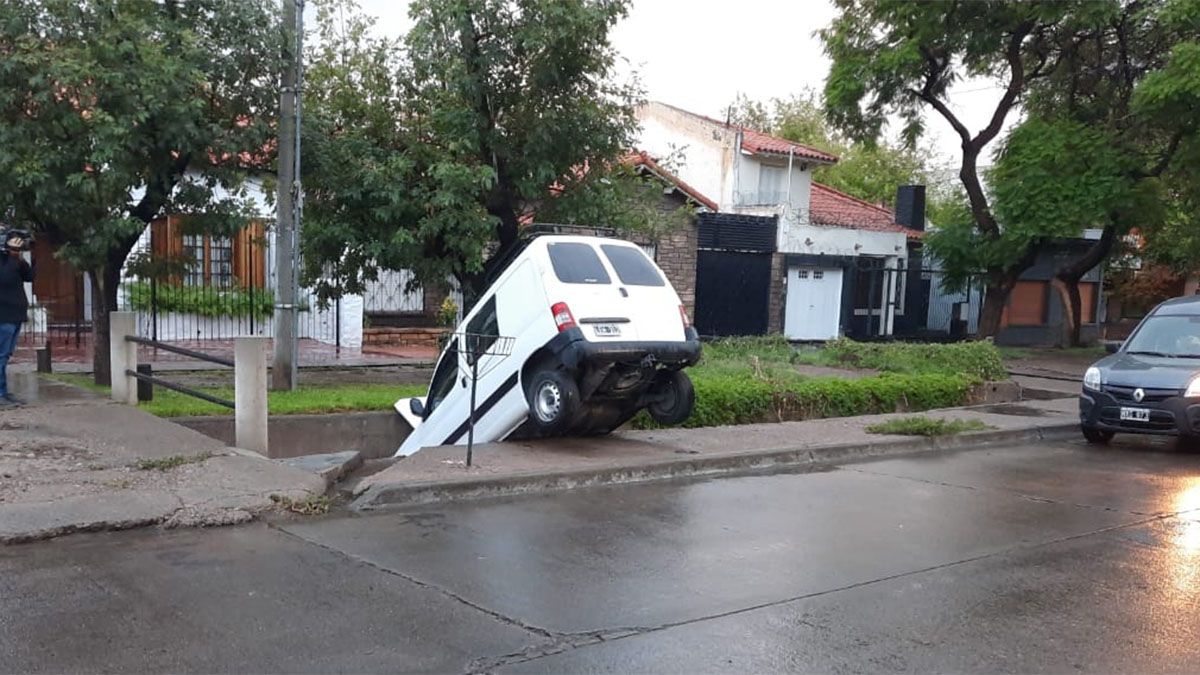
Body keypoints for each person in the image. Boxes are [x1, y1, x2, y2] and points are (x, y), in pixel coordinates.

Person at [0, 229, 34, 407]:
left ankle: (4, 392)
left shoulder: (16, 262)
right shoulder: (4, 262)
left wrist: (20, 258)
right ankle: (0, 393)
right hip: (3, 316)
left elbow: (30, 277)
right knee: (1, 355)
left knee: (5, 356)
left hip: (15, 316)